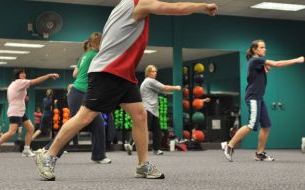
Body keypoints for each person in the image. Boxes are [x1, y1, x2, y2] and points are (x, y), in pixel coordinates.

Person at [35, 0, 218, 181]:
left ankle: (143, 165)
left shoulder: (122, 5)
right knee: (85, 117)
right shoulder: (138, 4)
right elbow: (176, 8)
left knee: (140, 115)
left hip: (124, 73)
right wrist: (203, 6)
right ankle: (48, 155)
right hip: (108, 71)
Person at [222, 40, 304, 162]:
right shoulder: (255, 60)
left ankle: (260, 154)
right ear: (254, 49)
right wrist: (297, 60)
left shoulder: (257, 62)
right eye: (262, 47)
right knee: (251, 124)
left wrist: (265, 69)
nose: (264, 49)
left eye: (265, 47)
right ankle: (229, 146)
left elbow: (264, 70)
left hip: (259, 98)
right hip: (253, 97)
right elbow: (277, 64)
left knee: (266, 125)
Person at [41, 32, 111, 164]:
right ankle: (48, 150)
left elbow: (75, 74)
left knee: (99, 123)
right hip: (81, 93)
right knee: (74, 126)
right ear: (99, 43)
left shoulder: (85, 55)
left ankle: (98, 155)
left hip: (78, 92)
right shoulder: (96, 56)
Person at [0, 69, 59, 158]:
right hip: (15, 111)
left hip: (20, 111)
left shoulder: (15, 84)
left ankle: (26, 149)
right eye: (22, 73)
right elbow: (35, 81)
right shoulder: (19, 82)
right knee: (12, 132)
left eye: (24, 72)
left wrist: (24, 98)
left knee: (30, 128)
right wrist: (48, 75)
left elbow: (16, 95)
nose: (24, 74)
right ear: (18, 75)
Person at [124, 65, 181, 155]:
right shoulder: (150, 81)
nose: (154, 73)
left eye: (155, 72)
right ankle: (130, 144)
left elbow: (162, 90)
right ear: (148, 73)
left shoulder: (147, 83)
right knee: (143, 130)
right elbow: (164, 87)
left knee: (157, 131)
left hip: (153, 111)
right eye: (152, 71)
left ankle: (156, 149)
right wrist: (176, 87)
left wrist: (172, 92)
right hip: (148, 110)